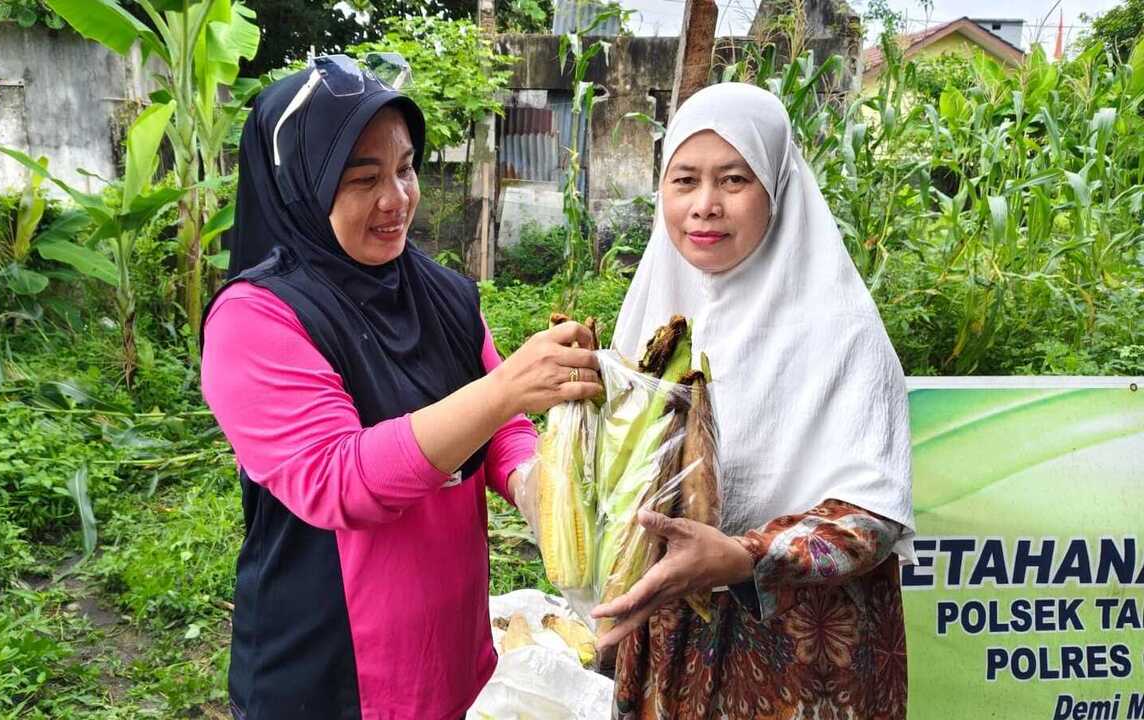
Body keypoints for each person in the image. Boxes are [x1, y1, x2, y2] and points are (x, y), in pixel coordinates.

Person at [198, 55, 601, 720]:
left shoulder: (438, 290)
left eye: (406, 167)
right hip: (329, 669)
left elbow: (501, 425)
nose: (398, 198)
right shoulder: (257, 319)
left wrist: (532, 482)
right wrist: (505, 391)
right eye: (363, 179)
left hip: (445, 649)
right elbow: (338, 479)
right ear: (302, 186)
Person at [590, 82, 916, 720]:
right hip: (669, 646)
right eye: (684, 180)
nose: (705, 206)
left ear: (777, 187)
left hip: (800, 656)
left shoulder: (838, 327)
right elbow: (622, 483)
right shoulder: (652, 313)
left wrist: (744, 556)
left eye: (734, 180)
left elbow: (874, 516)